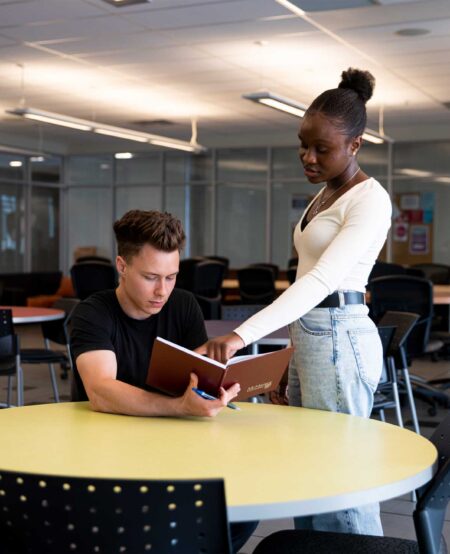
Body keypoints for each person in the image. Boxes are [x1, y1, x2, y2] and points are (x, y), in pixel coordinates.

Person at [196, 68, 392, 537]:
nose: (307, 157)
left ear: (355, 145)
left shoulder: (370, 199)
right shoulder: (325, 196)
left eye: (321, 148)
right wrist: (291, 357)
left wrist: (244, 335)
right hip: (314, 337)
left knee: (341, 478)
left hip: (341, 337)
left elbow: (323, 279)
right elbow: (306, 276)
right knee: (308, 470)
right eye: (302, 144)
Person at [70, 209, 256, 552]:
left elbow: (198, 378)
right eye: (151, 277)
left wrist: (214, 393)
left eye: (171, 277)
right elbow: (101, 391)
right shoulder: (93, 313)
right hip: (106, 452)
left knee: (246, 510)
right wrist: (178, 406)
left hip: (175, 446)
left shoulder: (184, 306)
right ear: (122, 266)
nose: (162, 291)